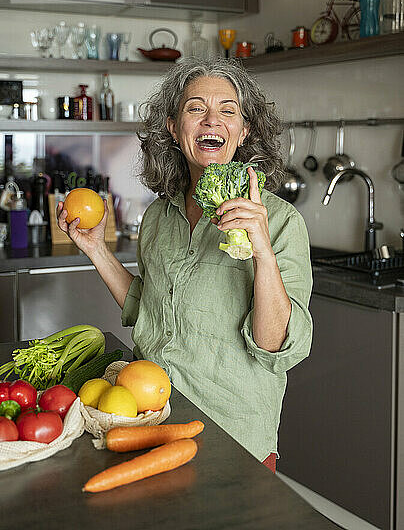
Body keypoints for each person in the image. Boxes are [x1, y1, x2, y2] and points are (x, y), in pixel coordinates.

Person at [57, 58, 313, 473]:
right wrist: (97, 249)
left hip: (235, 439)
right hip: (151, 418)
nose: (212, 121)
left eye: (228, 110)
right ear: (174, 128)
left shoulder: (281, 222)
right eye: (196, 108)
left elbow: (273, 345)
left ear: (244, 130)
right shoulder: (160, 214)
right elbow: (147, 308)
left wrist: (262, 252)